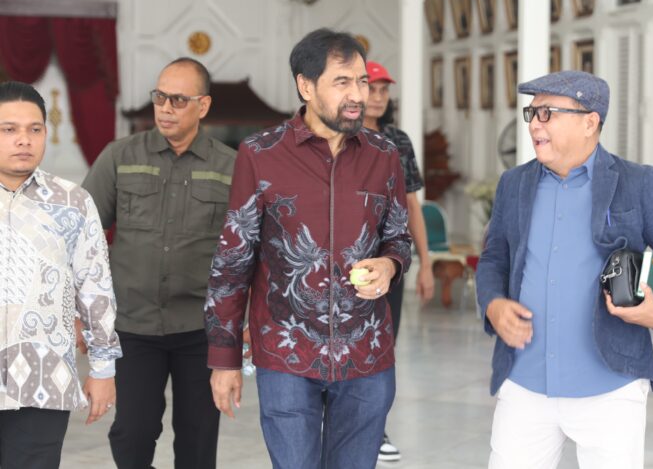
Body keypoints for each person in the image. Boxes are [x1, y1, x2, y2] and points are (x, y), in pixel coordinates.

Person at [476, 70, 653, 468]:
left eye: (548, 113)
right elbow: (494, 258)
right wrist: (493, 304)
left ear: (590, 122)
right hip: (525, 381)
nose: (534, 125)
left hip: (610, 385)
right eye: (532, 113)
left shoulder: (637, 183)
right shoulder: (514, 184)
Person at [206, 28, 412, 469]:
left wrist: (390, 264)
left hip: (367, 354)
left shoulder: (384, 155)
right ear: (306, 85)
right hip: (286, 352)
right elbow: (233, 259)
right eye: (342, 82)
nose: (357, 95)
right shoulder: (260, 154)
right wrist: (224, 359)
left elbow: (399, 237)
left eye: (362, 82)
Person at [82, 58, 236, 469]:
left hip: (201, 329)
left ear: (203, 105)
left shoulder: (231, 167)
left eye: (178, 100)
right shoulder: (120, 156)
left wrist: (243, 326)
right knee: (132, 434)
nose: (165, 108)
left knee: (198, 438)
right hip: (134, 326)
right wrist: (81, 315)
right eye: (160, 97)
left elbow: (246, 253)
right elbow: (81, 236)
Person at [0, 81, 121, 469]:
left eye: (34, 129)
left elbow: (96, 287)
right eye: (9, 129)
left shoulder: (73, 202)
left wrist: (103, 369)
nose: (24, 139)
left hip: (43, 379)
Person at [364, 61, 435, 461]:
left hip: (391, 260)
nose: (377, 97)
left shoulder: (397, 141)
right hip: (346, 260)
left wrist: (426, 263)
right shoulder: (341, 135)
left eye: (383, 90)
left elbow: (411, 205)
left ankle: (374, 428)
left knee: (383, 345)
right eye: (371, 88)